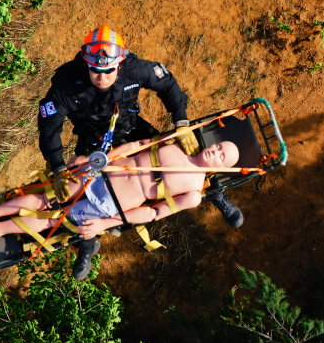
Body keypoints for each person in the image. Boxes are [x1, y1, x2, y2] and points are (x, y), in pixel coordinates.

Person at [38, 25, 244, 277]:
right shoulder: (66, 82)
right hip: (92, 137)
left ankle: (213, 192)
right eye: (95, 70)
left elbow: (168, 84)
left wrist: (181, 123)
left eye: (109, 70)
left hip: (130, 126)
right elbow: (49, 128)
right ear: (85, 62)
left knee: (184, 157)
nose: (102, 77)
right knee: (77, 190)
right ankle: (87, 244)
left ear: (120, 62)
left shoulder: (135, 68)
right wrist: (58, 166)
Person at [0, 139, 240, 279]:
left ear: (221, 168)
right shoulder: (176, 146)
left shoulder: (193, 193)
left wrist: (106, 224)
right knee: (46, 199)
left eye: (221, 155)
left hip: (110, 207)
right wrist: (97, 159)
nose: (215, 151)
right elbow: (134, 147)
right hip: (101, 175)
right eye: (217, 146)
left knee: (52, 220)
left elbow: (152, 213)